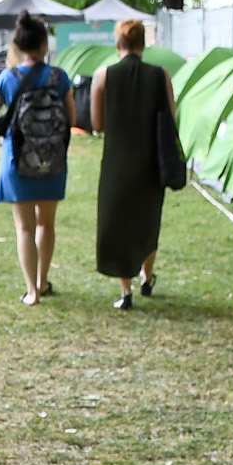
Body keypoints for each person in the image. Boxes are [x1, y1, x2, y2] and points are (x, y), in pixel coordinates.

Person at [0, 16, 71, 305]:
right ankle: (42, 281)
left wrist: (7, 133)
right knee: (46, 224)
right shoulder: (59, 78)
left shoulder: (8, 78)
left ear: (18, 46)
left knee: (24, 228)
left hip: (17, 159)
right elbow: (71, 117)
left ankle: (31, 292)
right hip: (52, 161)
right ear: (45, 44)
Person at [90, 18, 173, 310]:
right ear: (143, 45)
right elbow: (171, 118)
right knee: (147, 223)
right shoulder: (160, 75)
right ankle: (146, 276)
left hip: (117, 161)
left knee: (117, 224)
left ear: (118, 45)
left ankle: (125, 292)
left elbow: (97, 124)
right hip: (151, 162)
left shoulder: (103, 76)